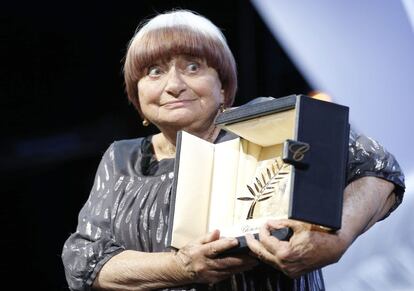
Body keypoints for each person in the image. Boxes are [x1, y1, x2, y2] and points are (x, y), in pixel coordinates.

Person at [61, 9, 405, 291]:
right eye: (154, 71)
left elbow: (379, 169)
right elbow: (83, 262)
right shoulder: (122, 160)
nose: (174, 85)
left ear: (223, 86)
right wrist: (181, 267)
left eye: (193, 67)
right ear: (137, 96)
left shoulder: (274, 121)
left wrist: (336, 240)